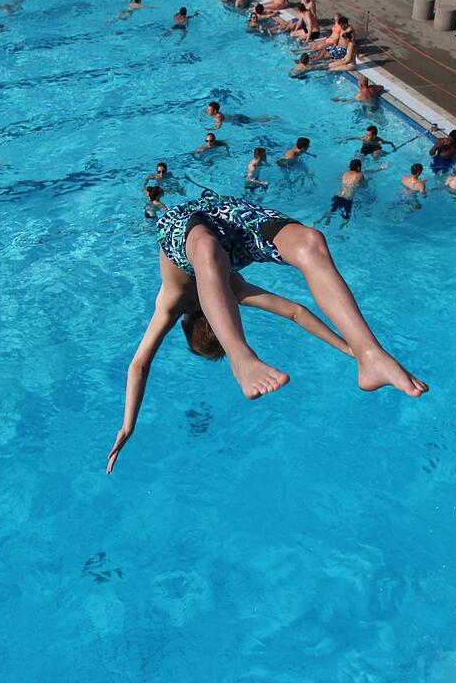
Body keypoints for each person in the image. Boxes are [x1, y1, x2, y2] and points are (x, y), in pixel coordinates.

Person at [105, 188, 428, 474]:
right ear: (186, 326)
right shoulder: (226, 291)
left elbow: (140, 365)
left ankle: (246, 357)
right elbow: (295, 312)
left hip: (194, 230)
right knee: (308, 243)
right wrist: (350, 350)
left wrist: (128, 425)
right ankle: (368, 353)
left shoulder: (173, 303)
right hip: (226, 222)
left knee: (214, 252)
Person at [315, 158, 364, 226]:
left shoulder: (345, 173)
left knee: (331, 211)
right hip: (347, 198)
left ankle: (318, 221)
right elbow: (363, 185)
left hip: (338, 195)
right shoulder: (360, 175)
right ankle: (340, 228)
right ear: (358, 167)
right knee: (346, 218)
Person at [204, 101, 276, 129]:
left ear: (215, 111)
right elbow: (205, 112)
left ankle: (271, 119)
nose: (207, 111)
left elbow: (218, 126)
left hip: (238, 120)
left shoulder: (218, 117)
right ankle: (269, 118)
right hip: (236, 117)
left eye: (209, 110)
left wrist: (210, 129)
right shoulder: (214, 113)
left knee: (255, 121)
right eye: (208, 109)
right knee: (254, 119)